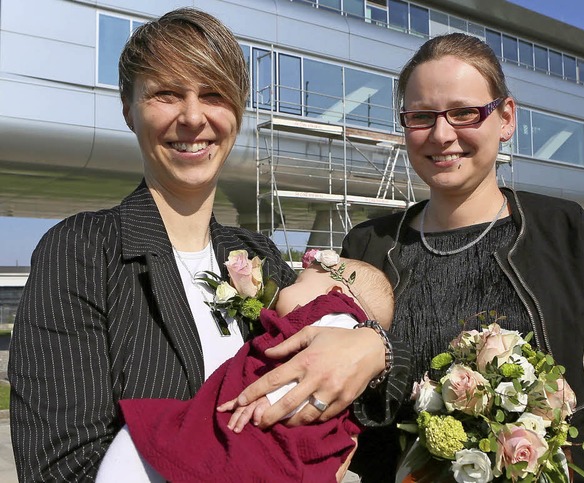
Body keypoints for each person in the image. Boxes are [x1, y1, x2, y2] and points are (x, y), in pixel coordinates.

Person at [8, 8, 402, 481]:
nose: (193, 117)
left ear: (237, 112)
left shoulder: (263, 257)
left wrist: (372, 347)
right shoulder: (81, 252)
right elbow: (60, 467)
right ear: (129, 109)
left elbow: (354, 404)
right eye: (166, 94)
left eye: (214, 94)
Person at [340, 33, 584, 482]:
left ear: (505, 117)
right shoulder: (367, 245)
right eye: (421, 117)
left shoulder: (563, 229)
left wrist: (552, 467)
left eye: (464, 112)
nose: (442, 135)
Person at [95, 252, 394, 482]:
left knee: (147, 431)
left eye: (301, 280)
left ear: (336, 292)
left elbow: (311, 372)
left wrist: (271, 401)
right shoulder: (329, 319)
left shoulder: (337, 316)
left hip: (260, 429)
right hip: (274, 440)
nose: (290, 284)